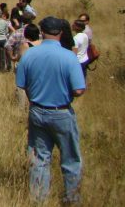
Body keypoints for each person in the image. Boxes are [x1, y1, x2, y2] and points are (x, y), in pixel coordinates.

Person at [15, 16, 85, 204]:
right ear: (61, 32)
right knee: (70, 160)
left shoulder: (29, 54)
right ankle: (72, 198)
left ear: (41, 32)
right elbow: (79, 89)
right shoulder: (69, 57)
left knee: (39, 159)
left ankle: (39, 200)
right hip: (62, 112)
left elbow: (22, 84)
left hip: (37, 111)